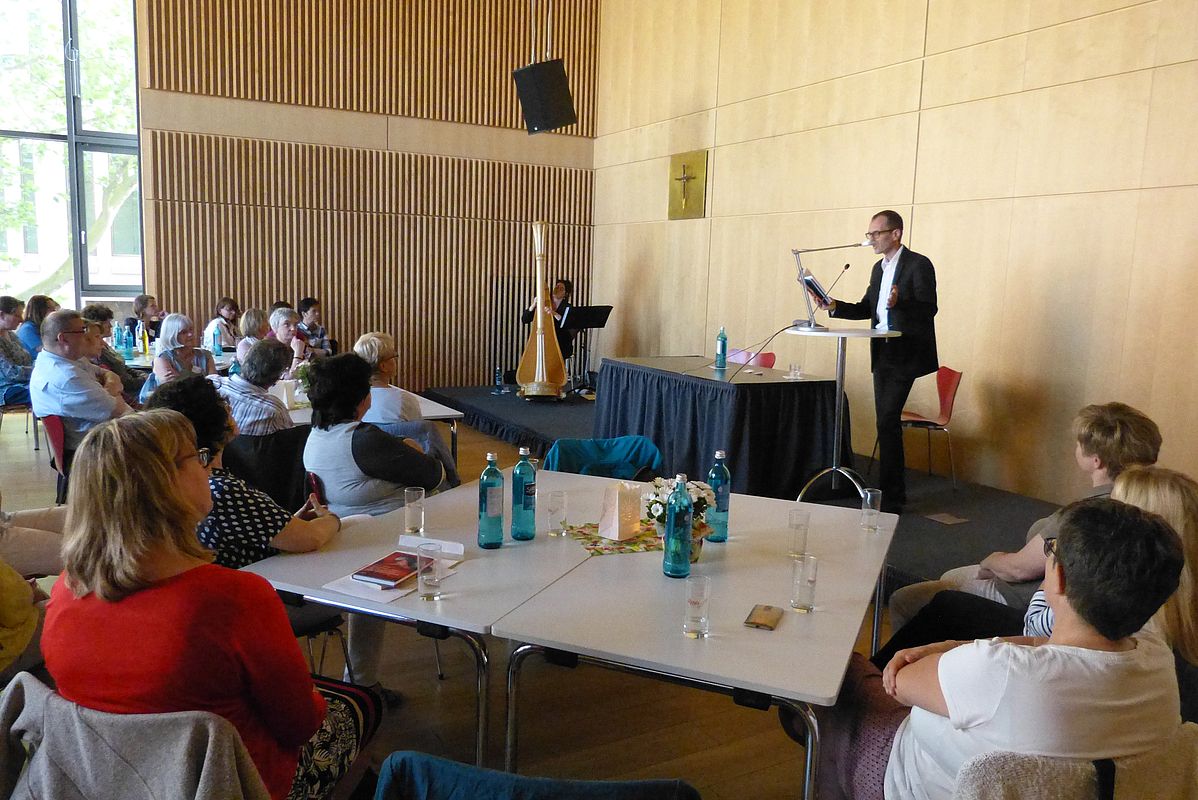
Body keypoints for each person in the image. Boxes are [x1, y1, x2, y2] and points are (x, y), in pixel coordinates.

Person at [41, 410, 380, 800]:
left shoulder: (66, 589)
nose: (208, 469)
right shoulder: (233, 597)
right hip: (233, 783)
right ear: (165, 485)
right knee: (364, 704)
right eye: (196, 458)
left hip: (109, 779)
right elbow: (300, 725)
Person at [878, 498, 1184, 800]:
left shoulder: (1000, 672)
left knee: (847, 683)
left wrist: (951, 652)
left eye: (1051, 551)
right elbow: (1049, 646)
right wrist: (957, 645)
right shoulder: (1157, 659)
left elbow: (900, 680)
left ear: (1059, 577)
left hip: (908, 776)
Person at [888, 402, 1162, 628]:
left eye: (1079, 443)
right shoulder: (1161, 503)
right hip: (1097, 609)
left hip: (1033, 603)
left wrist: (990, 560)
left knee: (905, 598)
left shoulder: (1086, 516)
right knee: (952, 575)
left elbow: (1019, 570)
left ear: (1096, 460)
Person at [810, 211, 937, 513]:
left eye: (876, 234)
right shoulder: (878, 269)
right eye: (869, 235)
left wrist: (899, 302)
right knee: (886, 423)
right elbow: (867, 308)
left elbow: (929, 308)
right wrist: (834, 306)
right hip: (882, 352)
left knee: (886, 420)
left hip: (905, 351)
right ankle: (893, 492)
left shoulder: (918, 264)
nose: (871, 240)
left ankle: (892, 497)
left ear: (896, 234)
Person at [146, 375, 338, 569]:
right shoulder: (223, 491)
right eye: (222, 404)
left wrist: (289, 523)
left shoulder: (182, 484)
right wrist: (332, 519)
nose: (230, 408)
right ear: (212, 420)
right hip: (264, 584)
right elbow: (312, 538)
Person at [303, 353, 442, 518]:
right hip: (387, 527)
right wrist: (412, 450)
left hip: (345, 521)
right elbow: (435, 475)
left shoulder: (317, 434)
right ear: (361, 396)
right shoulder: (364, 441)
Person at [29, 310, 130, 453]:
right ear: (63, 338)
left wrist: (110, 387)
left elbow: (106, 373)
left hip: (108, 434)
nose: (86, 336)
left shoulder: (63, 360)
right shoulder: (67, 376)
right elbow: (117, 409)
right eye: (82, 331)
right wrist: (115, 387)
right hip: (98, 450)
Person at [217, 339, 295, 436]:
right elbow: (291, 440)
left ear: (245, 359)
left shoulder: (213, 385)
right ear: (277, 376)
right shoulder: (273, 410)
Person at [80, 304, 147, 400]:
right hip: (130, 391)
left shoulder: (105, 346)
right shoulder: (97, 354)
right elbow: (125, 382)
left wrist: (143, 375)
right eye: (108, 322)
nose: (111, 326)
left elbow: (124, 367)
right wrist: (145, 379)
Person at [353, 332, 422, 423]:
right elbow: (418, 431)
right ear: (383, 366)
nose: (395, 360)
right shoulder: (404, 400)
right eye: (394, 356)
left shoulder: (350, 398)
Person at [521, 278, 575, 359]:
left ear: (566, 294)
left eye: (561, 288)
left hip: (561, 342)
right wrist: (534, 304)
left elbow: (567, 323)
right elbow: (525, 319)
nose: (557, 289)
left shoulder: (568, 307)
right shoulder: (543, 303)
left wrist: (553, 313)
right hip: (544, 341)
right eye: (556, 286)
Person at [0, 296, 33, 406]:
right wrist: (38, 370)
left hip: (22, 384)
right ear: (1, 315)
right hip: (6, 390)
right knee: (45, 392)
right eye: (17, 315)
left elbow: (27, 360)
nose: (21, 320)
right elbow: (11, 373)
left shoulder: (11, 335)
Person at [270, 307, 311, 379]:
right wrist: (298, 353)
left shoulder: (297, 344)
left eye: (295, 325)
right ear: (275, 328)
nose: (293, 328)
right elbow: (289, 379)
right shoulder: (270, 350)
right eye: (287, 324)